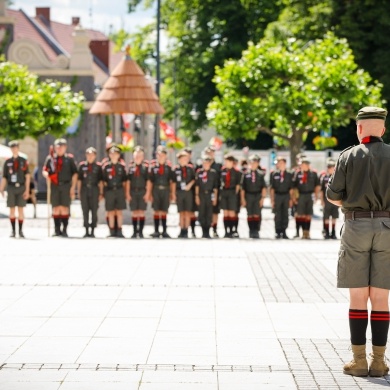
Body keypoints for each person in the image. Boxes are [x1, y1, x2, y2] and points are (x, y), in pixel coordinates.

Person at [327, 106, 390, 377]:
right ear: (383, 129)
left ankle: (359, 360)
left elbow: (333, 195)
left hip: (356, 225)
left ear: (359, 128)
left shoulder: (348, 156)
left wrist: (352, 206)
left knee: (357, 295)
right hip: (388, 226)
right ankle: (379, 361)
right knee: (380, 296)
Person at [42, 138, 77, 237]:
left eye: (62, 147)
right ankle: (57, 230)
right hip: (54, 186)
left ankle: (64, 230)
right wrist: (47, 175)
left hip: (66, 185)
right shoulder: (50, 159)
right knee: (56, 208)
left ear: (65, 147)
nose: (60, 149)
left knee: (65, 208)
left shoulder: (69, 159)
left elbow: (75, 174)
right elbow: (45, 170)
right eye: (58, 147)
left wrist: (72, 187)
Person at [0, 141, 30, 238]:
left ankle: (20, 231)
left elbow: (28, 176)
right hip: (11, 187)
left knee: (20, 209)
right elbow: (4, 176)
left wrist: (27, 189)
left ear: (18, 148)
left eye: (15, 147)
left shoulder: (23, 161)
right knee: (12, 210)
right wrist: (1, 188)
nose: (14, 149)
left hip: (21, 187)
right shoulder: (8, 162)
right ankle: (13, 231)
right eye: (12, 147)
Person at [102, 144, 127, 238]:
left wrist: (124, 192)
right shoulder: (106, 167)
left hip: (119, 190)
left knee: (119, 211)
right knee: (111, 211)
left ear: (118, 155)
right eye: (111, 154)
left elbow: (125, 181)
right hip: (109, 190)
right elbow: (103, 181)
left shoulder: (121, 167)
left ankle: (119, 230)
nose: (113, 155)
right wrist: (103, 192)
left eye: (115, 153)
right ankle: (112, 230)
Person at [77, 147, 103, 238]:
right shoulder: (82, 166)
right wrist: (79, 192)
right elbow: (79, 180)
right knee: (85, 210)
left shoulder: (98, 167)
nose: (90, 157)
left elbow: (100, 181)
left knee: (94, 210)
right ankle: (86, 229)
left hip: (94, 189)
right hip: (85, 189)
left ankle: (92, 230)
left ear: (95, 156)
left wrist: (101, 193)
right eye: (88, 155)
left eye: (92, 155)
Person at [148, 145, 173, 238]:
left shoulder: (169, 168)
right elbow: (150, 181)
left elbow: (171, 182)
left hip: (165, 190)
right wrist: (149, 193)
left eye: (162, 155)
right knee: (156, 210)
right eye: (159, 155)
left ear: (166, 156)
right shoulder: (153, 167)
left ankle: (164, 231)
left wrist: (172, 193)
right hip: (156, 190)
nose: (160, 157)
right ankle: (156, 230)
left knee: (164, 210)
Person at [292, 158, 320, 239]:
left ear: (308, 165)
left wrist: (316, 195)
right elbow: (294, 186)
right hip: (301, 195)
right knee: (301, 214)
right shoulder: (298, 174)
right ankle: (303, 231)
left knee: (308, 214)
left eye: (304, 165)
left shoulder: (313, 174)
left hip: (309, 194)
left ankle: (307, 231)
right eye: (301, 165)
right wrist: (294, 197)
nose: (302, 166)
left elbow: (317, 185)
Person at [241, 154, 267, 238]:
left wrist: (262, 198)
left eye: (255, 162)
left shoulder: (261, 174)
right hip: (249, 195)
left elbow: (264, 187)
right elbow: (243, 188)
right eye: (252, 162)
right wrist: (243, 199)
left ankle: (256, 230)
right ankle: (251, 230)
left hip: (257, 195)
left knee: (256, 213)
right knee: (250, 214)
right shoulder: (245, 174)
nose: (253, 164)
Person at [126, 146, 150, 238]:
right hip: (133, 191)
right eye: (136, 155)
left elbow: (148, 181)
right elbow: (128, 182)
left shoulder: (145, 168)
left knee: (141, 211)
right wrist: (127, 193)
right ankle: (134, 231)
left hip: (142, 191)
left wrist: (148, 193)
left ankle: (141, 231)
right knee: (134, 212)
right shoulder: (131, 168)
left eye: (140, 155)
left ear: (143, 156)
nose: (138, 157)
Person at [171, 151, 196, 238]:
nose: (185, 160)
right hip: (179, 192)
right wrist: (173, 194)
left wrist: (189, 185)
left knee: (187, 212)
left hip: (188, 192)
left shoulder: (190, 169)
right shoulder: (176, 170)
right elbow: (173, 182)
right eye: (183, 159)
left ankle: (187, 230)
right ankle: (181, 229)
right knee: (181, 212)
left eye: (186, 159)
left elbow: (194, 179)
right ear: (179, 159)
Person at [270, 156, 294, 239]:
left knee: (285, 214)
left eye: (280, 163)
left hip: (286, 195)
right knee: (277, 214)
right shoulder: (274, 174)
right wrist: (272, 199)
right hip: (278, 195)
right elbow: (272, 188)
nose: (278, 164)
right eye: (278, 163)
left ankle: (284, 231)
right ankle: (277, 231)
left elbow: (291, 188)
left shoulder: (289, 174)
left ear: (284, 163)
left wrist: (291, 199)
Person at [195, 155, 219, 238]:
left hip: (210, 194)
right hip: (201, 194)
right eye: (204, 163)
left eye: (207, 163)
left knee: (209, 213)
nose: (205, 165)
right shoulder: (199, 172)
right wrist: (197, 196)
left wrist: (215, 198)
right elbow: (197, 185)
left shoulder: (213, 173)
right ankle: (203, 231)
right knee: (202, 212)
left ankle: (208, 231)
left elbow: (215, 187)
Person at [220, 153, 242, 238]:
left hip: (232, 192)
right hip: (224, 192)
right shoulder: (223, 171)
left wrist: (234, 195)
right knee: (225, 212)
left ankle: (233, 230)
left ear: (232, 162)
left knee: (232, 212)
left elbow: (237, 185)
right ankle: (226, 231)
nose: (226, 163)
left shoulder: (237, 172)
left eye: (228, 161)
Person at [204, 146, 222, 237]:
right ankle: (205, 230)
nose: (209, 154)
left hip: (215, 191)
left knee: (215, 212)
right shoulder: (202, 165)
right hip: (204, 192)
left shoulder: (218, 166)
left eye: (211, 152)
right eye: (207, 152)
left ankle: (214, 229)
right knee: (206, 211)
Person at [319, 158, 339, 239]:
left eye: (332, 167)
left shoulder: (337, 178)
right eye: (328, 167)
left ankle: (333, 232)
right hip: (326, 200)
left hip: (335, 200)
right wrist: (321, 201)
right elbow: (321, 191)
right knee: (326, 217)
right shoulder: (324, 177)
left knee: (334, 217)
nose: (330, 169)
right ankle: (326, 231)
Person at [184, 147, 198, 238]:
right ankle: (184, 229)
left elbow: (196, 178)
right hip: (183, 192)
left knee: (192, 212)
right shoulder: (181, 164)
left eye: (189, 154)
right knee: (184, 211)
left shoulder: (193, 166)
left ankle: (192, 230)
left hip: (192, 192)